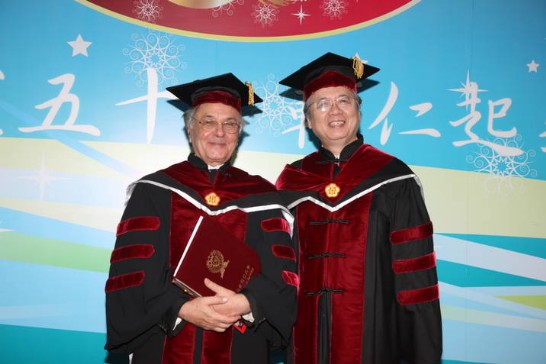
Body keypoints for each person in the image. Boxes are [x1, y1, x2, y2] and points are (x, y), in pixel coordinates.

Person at [105, 73, 298, 363]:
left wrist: (247, 303)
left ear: (238, 134)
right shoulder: (154, 191)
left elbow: (283, 275)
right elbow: (133, 273)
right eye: (208, 122)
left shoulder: (265, 197)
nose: (219, 132)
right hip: (164, 340)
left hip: (242, 343)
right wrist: (181, 308)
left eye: (230, 124)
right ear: (190, 128)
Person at [275, 52, 442, 364]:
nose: (334, 111)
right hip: (302, 342)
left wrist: (423, 355)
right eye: (322, 104)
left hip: (376, 342)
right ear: (309, 120)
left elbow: (416, 278)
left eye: (344, 100)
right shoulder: (290, 184)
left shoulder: (393, 178)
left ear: (358, 111)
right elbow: (277, 271)